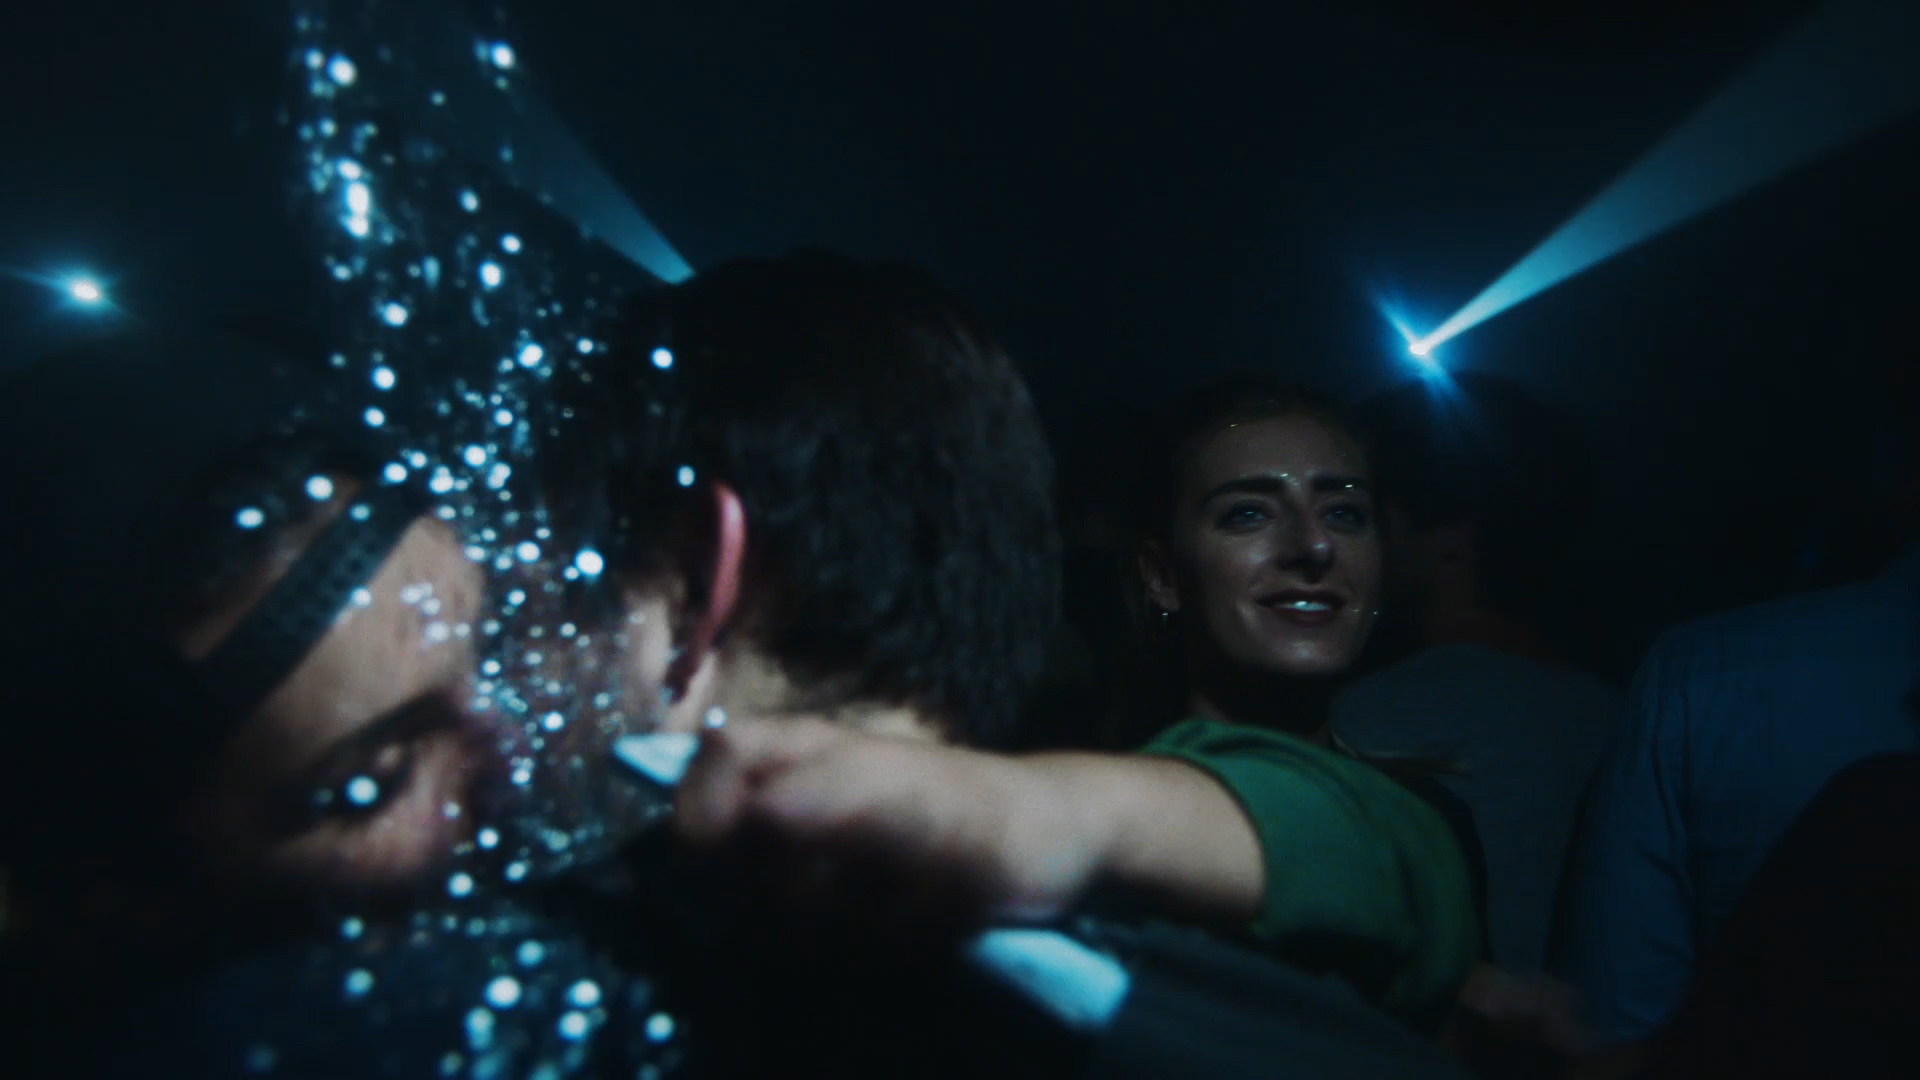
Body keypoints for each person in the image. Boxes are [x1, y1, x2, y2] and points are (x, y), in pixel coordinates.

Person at [592, 332, 1481, 1037]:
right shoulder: (1027, 785)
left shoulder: (1419, 826)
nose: (1313, 546)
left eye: (1345, 512)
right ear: (1161, 573)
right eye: (1249, 512)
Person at [1332, 372, 1619, 976]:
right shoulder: (1621, 716)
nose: (1329, 545)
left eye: (1358, 514)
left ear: (1452, 537)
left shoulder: (1362, 725)